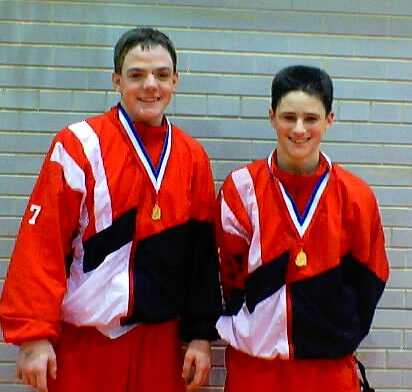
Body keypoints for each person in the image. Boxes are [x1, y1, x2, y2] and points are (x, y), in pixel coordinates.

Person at [0, 27, 222, 392]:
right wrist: (34, 335)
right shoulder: (77, 145)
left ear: (176, 81)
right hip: (86, 344)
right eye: (137, 75)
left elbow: (201, 259)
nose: (150, 85)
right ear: (117, 80)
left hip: (159, 345)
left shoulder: (191, 156)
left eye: (162, 75)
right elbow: (41, 244)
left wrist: (199, 336)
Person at [215, 65, 389, 392]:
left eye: (310, 119)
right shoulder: (241, 189)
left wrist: (332, 334)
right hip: (255, 369)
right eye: (288, 117)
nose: (298, 129)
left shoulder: (356, 196)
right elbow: (228, 275)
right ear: (271, 116)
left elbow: (371, 277)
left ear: (329, 120)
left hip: (329, 370)